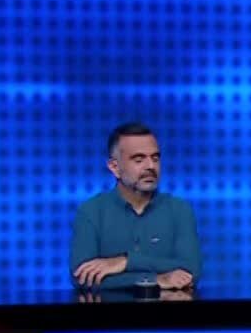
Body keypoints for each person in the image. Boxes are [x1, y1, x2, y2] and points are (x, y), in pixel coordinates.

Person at [71, 122, 202, 290]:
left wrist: (125, 262)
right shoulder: (91, 211)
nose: (150, 166)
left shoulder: (179, 210)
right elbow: (82, 278)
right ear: (114, 167)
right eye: (139, 159)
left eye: (155, 158)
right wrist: (155, 279)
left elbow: (191, 270)